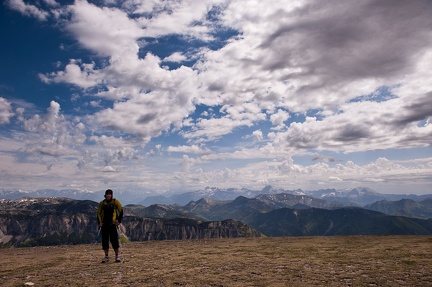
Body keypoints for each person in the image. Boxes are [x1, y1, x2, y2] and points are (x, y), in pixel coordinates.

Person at [97, 189, 123, 263]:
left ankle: (117, 256)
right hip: (104, 225)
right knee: (105, 241)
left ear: (111, 195)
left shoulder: (115, 202)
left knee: (114, 241)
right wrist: (99, 222)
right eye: (107, 194)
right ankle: (106, 256)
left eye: (110, 194)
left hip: (112, 224)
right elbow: (98, 213)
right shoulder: (102, 203)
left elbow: (121, 210)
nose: (108, 195)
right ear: (105, 195)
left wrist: (119, 221)